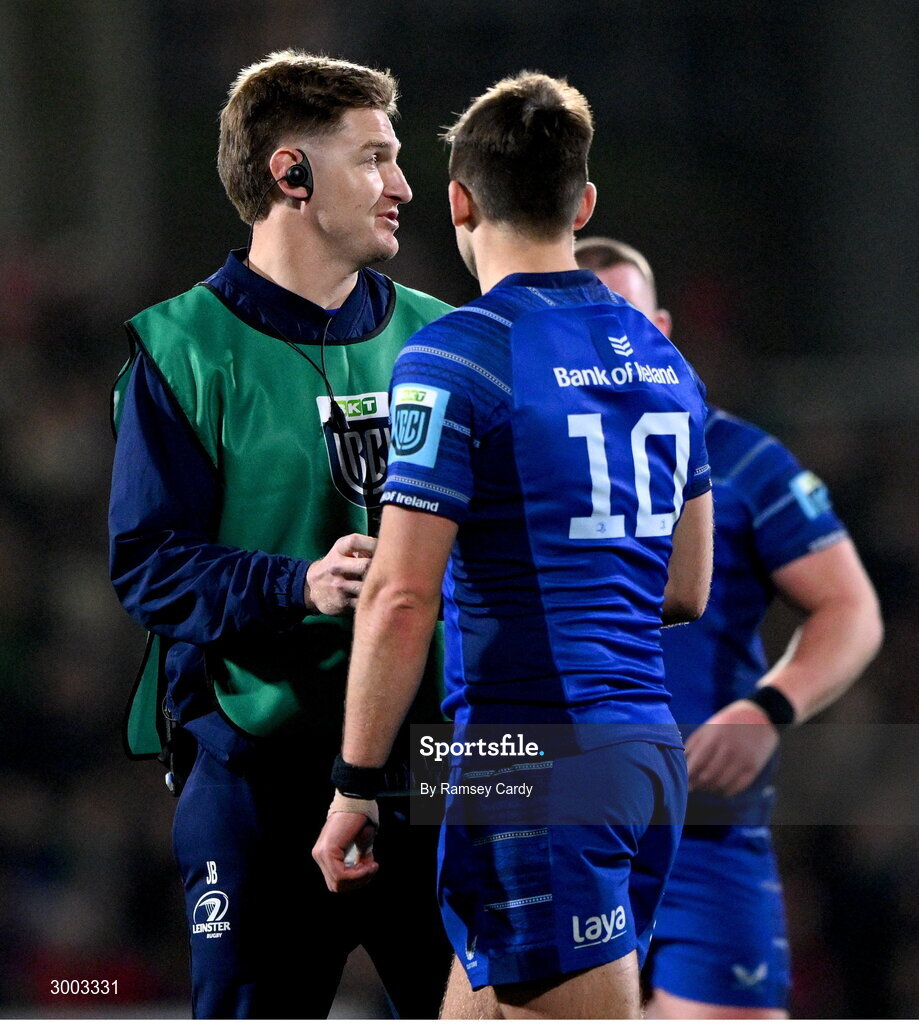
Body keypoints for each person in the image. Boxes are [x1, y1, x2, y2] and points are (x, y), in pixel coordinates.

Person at [313, 73, 714, 1020]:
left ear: (457, 199)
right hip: (644, 752)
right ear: (582, 204)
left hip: (528, 754)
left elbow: (402, 598)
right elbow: (686, 587)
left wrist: (355, 786)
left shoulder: (456, 354)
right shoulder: (665, 361)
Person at [108, 50, 454, 1019]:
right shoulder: (180, 350)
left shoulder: (444, 338)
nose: (402, 185)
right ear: (290, 174)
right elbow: (146, 565)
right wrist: (296, 584)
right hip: (261, 767)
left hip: (435, 761)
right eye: (374, 158)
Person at [574, 236, 884, 1018]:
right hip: (550, 816)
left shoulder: (740, 459)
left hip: (702, 830)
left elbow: (849, 606)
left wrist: (768, 708)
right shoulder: (497, 450)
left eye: (629, 326)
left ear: (664, 330)